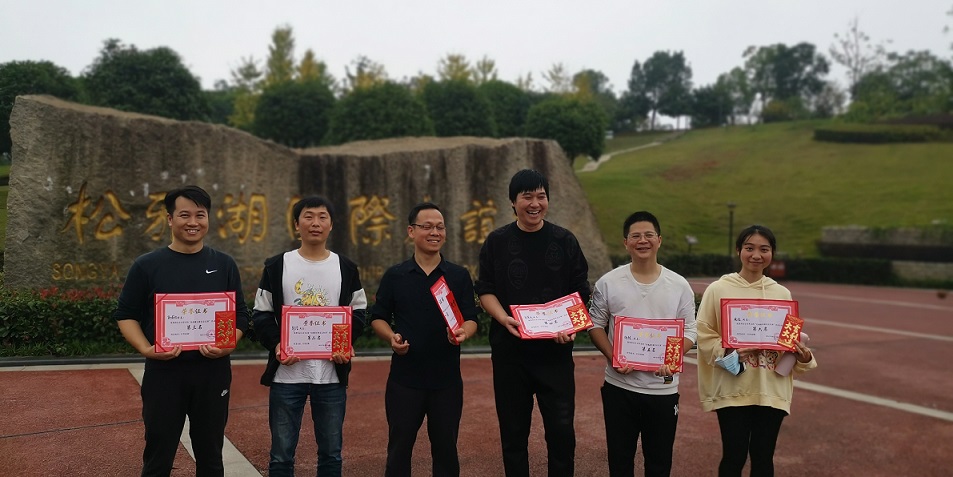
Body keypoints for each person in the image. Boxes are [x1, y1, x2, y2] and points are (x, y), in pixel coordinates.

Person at [114, 185, 249, 477]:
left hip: (212, 373)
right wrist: (146, 349)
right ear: (169, 219)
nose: (193, 222)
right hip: (164, 374)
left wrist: (228, 343)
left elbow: (239, 314)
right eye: (184, 215)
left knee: (211, 456)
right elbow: (126, 315)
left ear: (208, 218)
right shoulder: (147, 265)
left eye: (200, 215)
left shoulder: (223, 264)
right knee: (158, 457)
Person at [475, 169, 591, 477]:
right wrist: (502, 318)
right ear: (513, 202)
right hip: (510, 355)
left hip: (555, 355)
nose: (535, 204)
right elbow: (485, 288)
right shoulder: (497, 242)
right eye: (527, 197)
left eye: (541, 196)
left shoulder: (564, 241)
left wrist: (571, 326)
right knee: (513, 434)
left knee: (562, 434)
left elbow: (581, 290)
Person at [251, 196, 367, 477]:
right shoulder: (277, 266)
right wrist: (277, 345)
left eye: (322, 217)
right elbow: (261, 314)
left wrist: (344, 342)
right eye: (308, 216)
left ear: (331, 225)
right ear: (296, 224)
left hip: (330, 376)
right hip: (286, 375)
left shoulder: (346, 267)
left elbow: (359, 312)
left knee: (331, 455)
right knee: (281, 456)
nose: (316, 223)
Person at [696, 225, 817, 477]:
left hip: (771, 388)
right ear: (738, 250)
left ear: (772, 253)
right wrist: (729, 350)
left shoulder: (781, 293)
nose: (756, 255)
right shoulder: (718, 289)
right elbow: (704, 333)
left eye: (764, 249)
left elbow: (789, 344)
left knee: (763, 458)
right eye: (749, 248)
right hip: (734, 387)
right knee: (734, 456)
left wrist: (803, 356)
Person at [370, 202, 479, 477]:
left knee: (446, 452)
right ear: (411, 231)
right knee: (399, 450)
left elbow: (471, 318)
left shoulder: (458, 275)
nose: (435, 232)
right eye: (427, 226)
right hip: (405, 380)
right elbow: (377, 317)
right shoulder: (396, 275)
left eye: (440, 227)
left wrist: (463, 333)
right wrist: (391, 337)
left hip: (447, 380)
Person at [587, 211, 697, 477]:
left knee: (659, 463)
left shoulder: (679, 285)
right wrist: (614, 356)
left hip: (662, 390)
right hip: (619, 387)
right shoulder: (609, 282)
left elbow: (691, 329)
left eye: (649, 235)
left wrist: (671, 359)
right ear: (626, 243)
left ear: (659, 240)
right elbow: (594, 324)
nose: (642, 241)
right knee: (619, 461)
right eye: (635, 236)